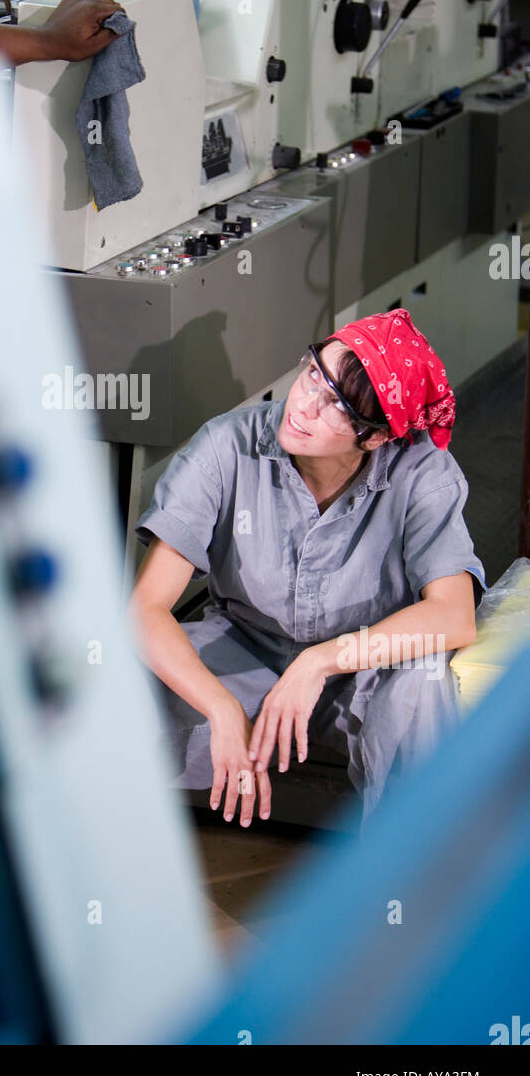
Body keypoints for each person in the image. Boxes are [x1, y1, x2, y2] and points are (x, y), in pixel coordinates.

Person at [130, 308, 486, 829]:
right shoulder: (226, 446)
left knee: (423, 681)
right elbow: (146, 609)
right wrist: (222, 707)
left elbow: (453, 616)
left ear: (376, 437)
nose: (304, 405)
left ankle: (407, 885)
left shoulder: (421, 472)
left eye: (336, 407)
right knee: (113, 685)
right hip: (247, 648)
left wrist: (320, 661)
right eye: (314, 373)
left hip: (366, 667)